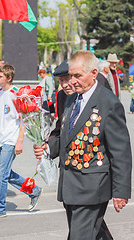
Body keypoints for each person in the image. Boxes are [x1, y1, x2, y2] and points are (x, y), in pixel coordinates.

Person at [33, 50, 132, 240]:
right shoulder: (71, 98)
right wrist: (47, 148)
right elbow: (66, 136)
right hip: (70, 184)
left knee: (80, 236)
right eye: (72, 76)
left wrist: (121, 191)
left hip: (92, 185)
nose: (73, 81)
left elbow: (120, 151)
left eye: (78, 75)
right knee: (95, 233)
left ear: (93, 73)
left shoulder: (108, 103)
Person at [50, 58, 114, 239]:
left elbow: (111, 135)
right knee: (93, 228)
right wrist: (47, 147)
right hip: (70, 178)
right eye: (61, 81)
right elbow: (61, 130)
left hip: (93, 176)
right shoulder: (64, 97)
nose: (65, 84)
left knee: (82, 230)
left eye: (67, 78)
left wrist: (118, 187)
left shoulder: (98, 90)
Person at [0, 64, 42, 219]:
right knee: (6, 173)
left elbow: (24, 120)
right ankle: (34, 190)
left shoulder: (16, 94)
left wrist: (19, 141)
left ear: (9, 78)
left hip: (11, 141)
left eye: (0, 76)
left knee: (0, 174)